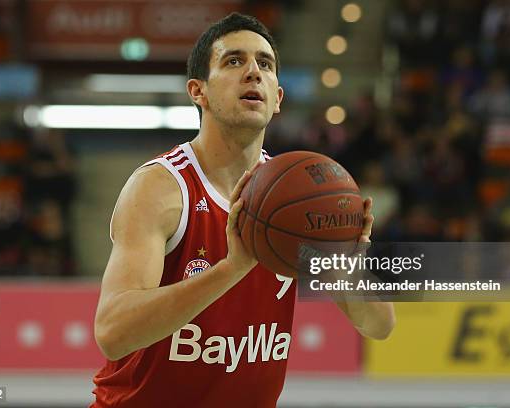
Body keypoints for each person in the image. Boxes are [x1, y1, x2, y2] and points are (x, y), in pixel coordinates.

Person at [91, 13, 395, 407]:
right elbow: (113, 332)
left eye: (265, 64)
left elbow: (379, 325)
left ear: (278, 98)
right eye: (234, 61)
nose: (253, 72)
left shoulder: (299, 198)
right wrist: (231, 269)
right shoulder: (161, 188)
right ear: (198, 91)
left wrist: (347, 262)